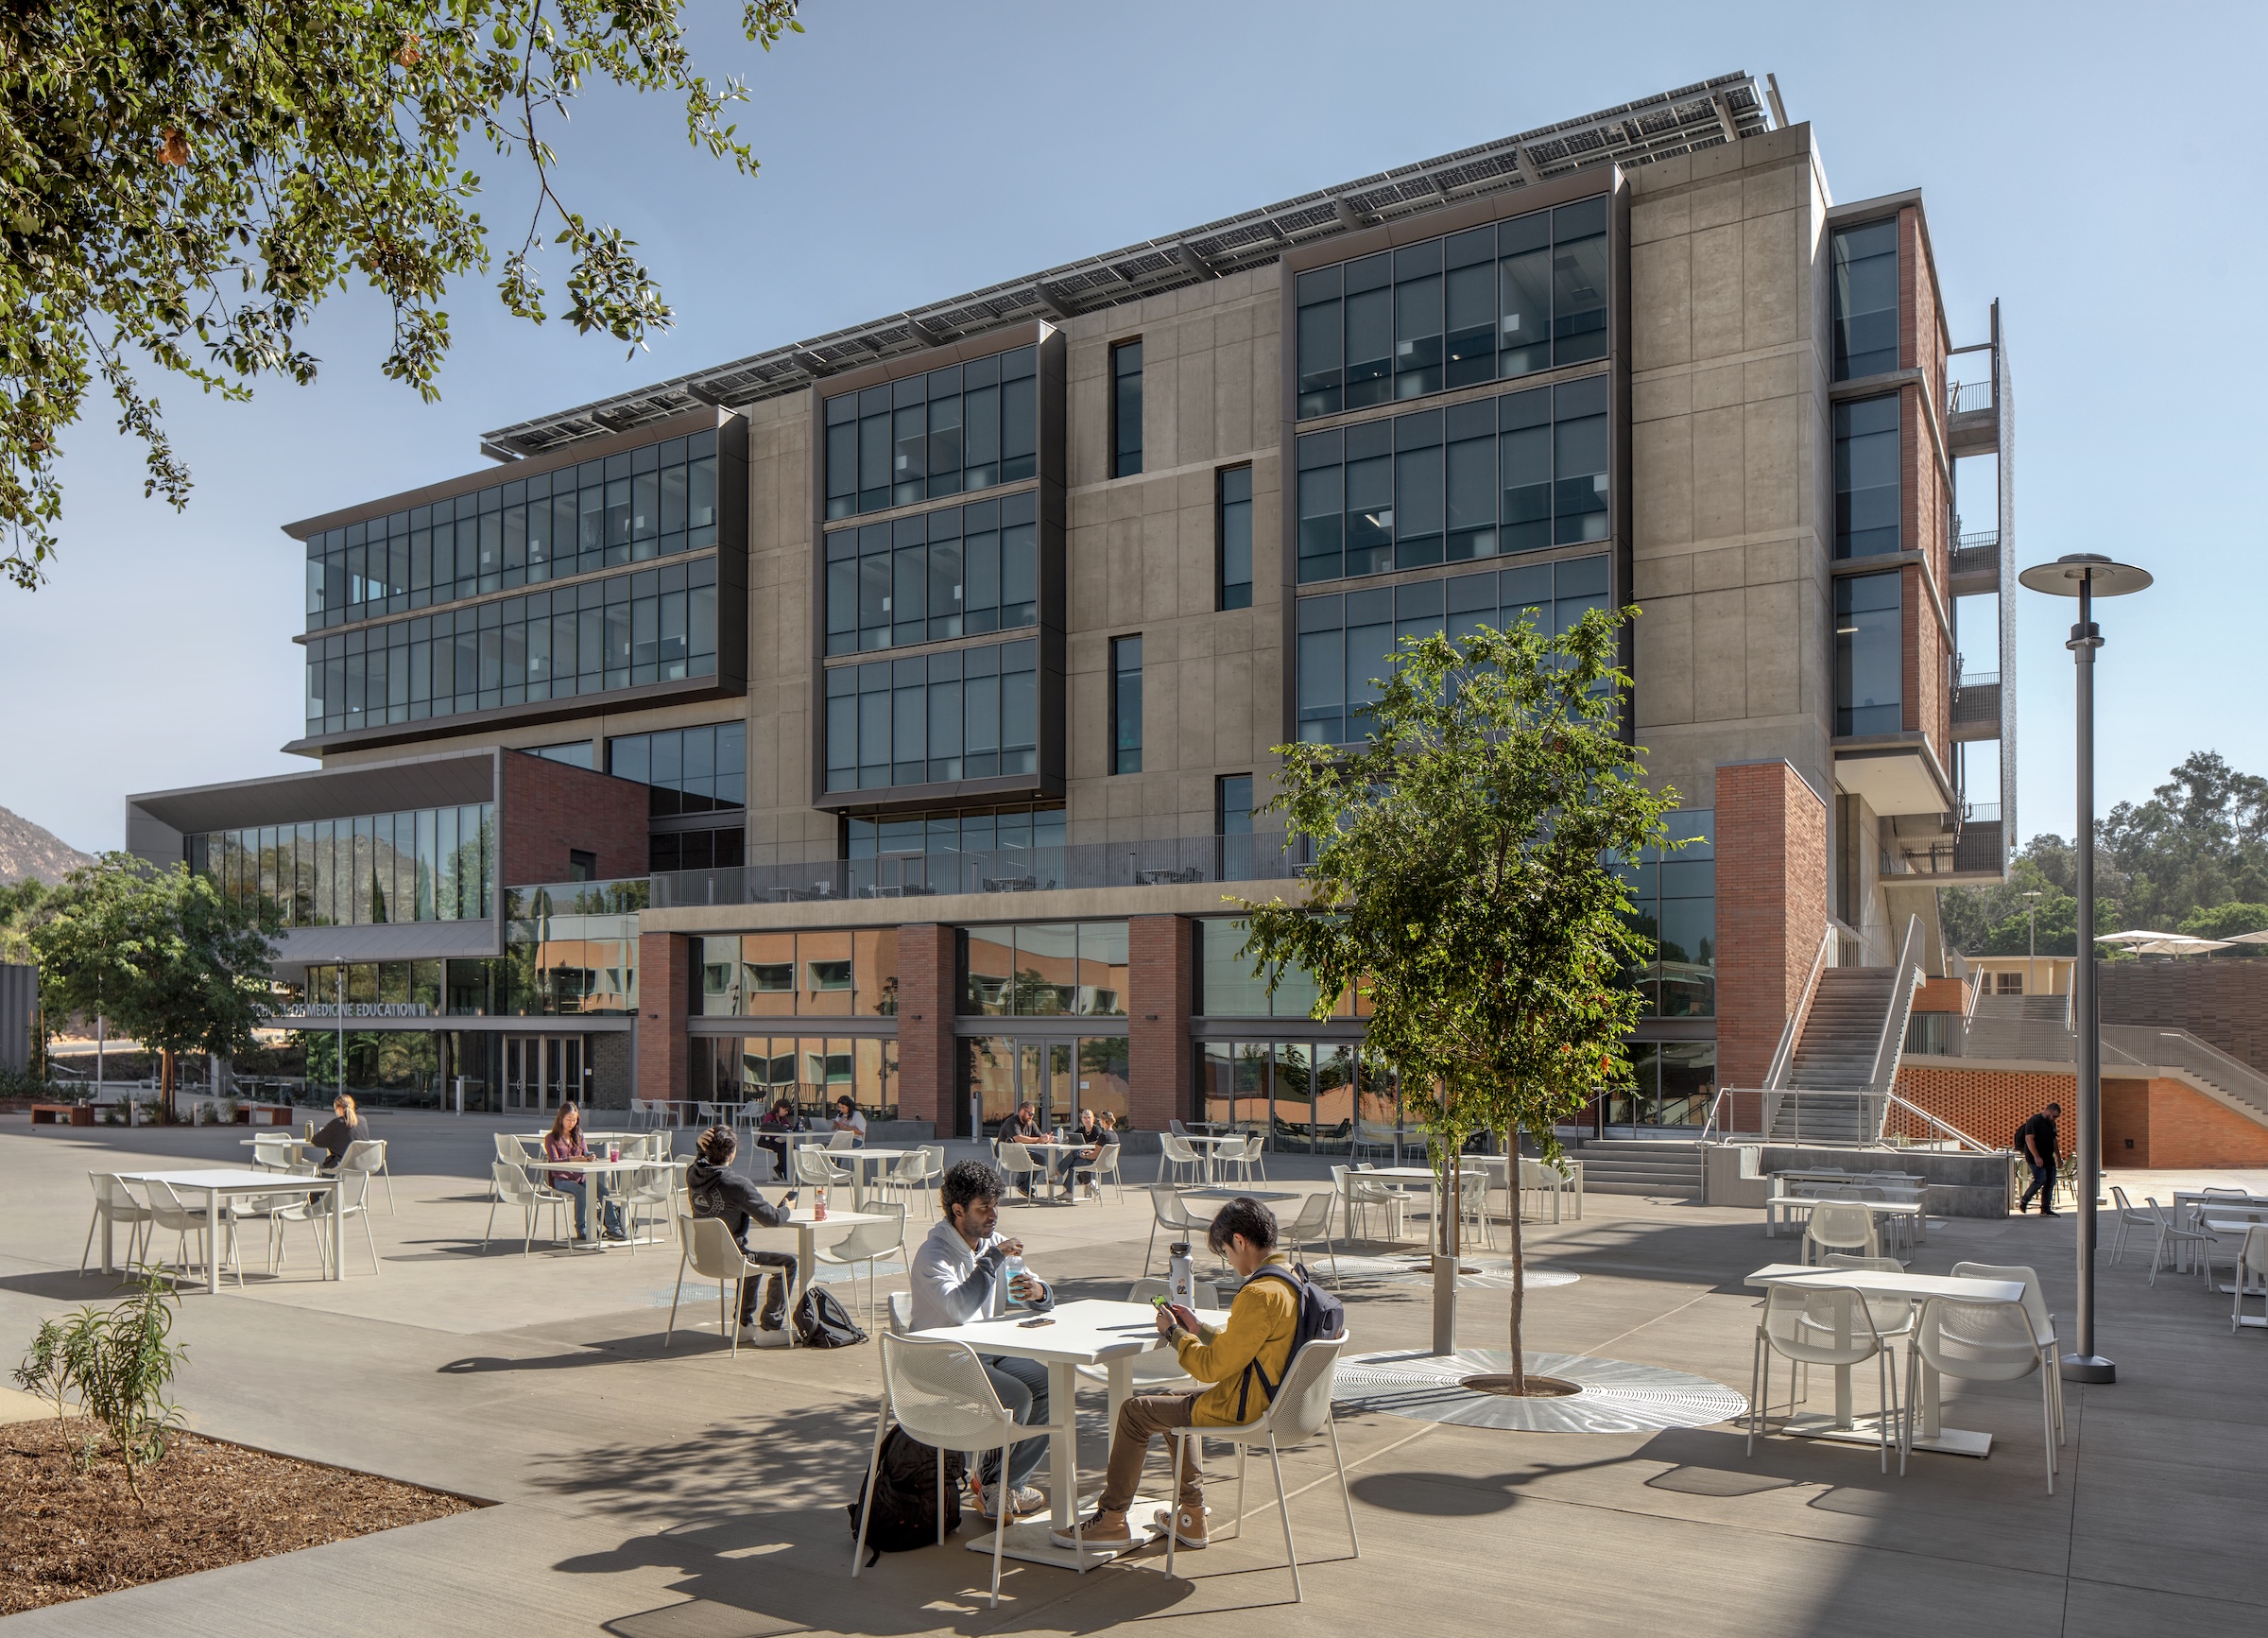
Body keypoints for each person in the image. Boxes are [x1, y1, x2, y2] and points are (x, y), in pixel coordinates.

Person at [1053, 1196, 1300, 1553]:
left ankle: (1110, 1521)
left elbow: (1211, 1368)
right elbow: (1248, 1348)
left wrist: (1173, 1334)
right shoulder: (1289, 1279)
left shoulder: (1258, 1294)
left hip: (1247, 1407)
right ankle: (1192, 1516)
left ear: (1240, 1241)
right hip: (1280, 1401)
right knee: (1169, 1403)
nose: (1228, 1261)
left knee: (1135, 1412)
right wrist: (1198, 1328)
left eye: (1226, 1252)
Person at [909, 1160, 1054, 1522]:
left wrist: (1037, 1292)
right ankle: (992, 1484)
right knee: (1018, 1395)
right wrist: (991, 1260)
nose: (993, 1215)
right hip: (938, 1358)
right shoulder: (934, 1255)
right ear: (958, 1210)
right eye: (983, 1207)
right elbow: (958, 1309)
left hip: (986, 1350)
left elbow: (1038, 1297)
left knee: (1052, 1383)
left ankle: (1005, 1483)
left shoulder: (992, 1245)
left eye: (995, 1204)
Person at [686, 1126, 800, 1346]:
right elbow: (773, 1219)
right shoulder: (737, 1185)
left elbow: (699, 1163)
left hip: (702, 1257)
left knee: (749, 1258)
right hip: (733, 1259)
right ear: (732, 1153)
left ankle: (743, 1326)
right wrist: (788, 1207)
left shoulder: (693, 1176)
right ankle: (770, 1327)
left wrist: (700, 1150)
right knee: (787, 1263)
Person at [543, 1102, 626, 1242]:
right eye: (569, 1119)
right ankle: (582, 1229)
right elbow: (554, 1160)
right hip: (562, 1180)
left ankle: (613, 1227)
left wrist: (590, 1156)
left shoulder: (579, 1135)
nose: (572, 1123)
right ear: (561, 1118)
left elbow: (585, 1151)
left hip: (581, 1178)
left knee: (603, 1191)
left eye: (574, 1120)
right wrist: (572, 1159)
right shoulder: (551, 1138)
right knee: (582, 1193)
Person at [1053, 1109, 1117, 1199]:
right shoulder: (1114, 1135)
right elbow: (1100, 1152)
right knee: (1075, 1156)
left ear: (1102, 1121)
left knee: (1073, 1163)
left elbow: (1094, 1156)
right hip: (1108, 1164)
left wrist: (1085, 1155)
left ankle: (1067, 1189)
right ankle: (1078, 1186)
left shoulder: (1103, 1135)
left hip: (1097, 1163)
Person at [2016, 1100, 2062, 1216]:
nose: (2054, 1119)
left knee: (2050, 1182)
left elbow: (2054, 1140)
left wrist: (2058, 1157)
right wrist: (2036, 1156)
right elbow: (2029, 1139)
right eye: (2054, 1116)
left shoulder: (2052, 1124)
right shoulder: (2034, 1121)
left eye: (2057, 1117)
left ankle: (2045, 1209)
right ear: (2047, 1111)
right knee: (2041, 1179)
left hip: (2048, 1157)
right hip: (2034, 1157)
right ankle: (2024, 1200)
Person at [996, 1102, 1045, 1198]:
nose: (1031, 1117)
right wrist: (1038, 1140)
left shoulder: (1030, 1123)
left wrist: (1048, 1138)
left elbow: (1040, 1136)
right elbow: (1018, 1138)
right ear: (1022, 1112)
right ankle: (1021, 1184)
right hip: (1006, 1154)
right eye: (1030, 1114)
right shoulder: (1012, 1122)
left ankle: (1024, 1186)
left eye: (1033, 1114)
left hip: (1020, 1153)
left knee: (1041, 1160)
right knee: (1026, 1158)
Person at [311, 1094, 369, 1172]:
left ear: (339, 1109)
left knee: (321, 1168)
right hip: (362, 1164)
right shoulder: (363, 1121)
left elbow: (315, 1141)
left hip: (341, 1165)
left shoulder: (337, 1123)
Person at [756, 1096, 798, 1178]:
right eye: (785, 1110)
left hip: (779, 1140)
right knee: (784, 1148)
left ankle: (782, 1168)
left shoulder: (782, 1118)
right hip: (767, 1140)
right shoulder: (769, 1116)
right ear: (779, 1108)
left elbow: (789, 1127)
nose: (786, 1113)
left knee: (791, 1147)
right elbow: (766, 1129)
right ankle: (785, 1172)